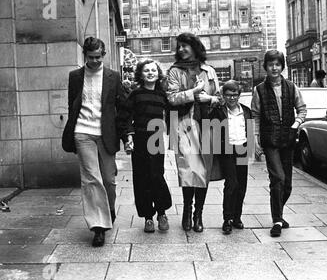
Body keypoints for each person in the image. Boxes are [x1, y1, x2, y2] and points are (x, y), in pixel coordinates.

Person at [62, 37, 128, 247]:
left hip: (106, 133)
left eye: (98, 57)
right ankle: (98, 227)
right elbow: (72, 104)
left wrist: (127, 135)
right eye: (91, 58)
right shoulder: (75, 76)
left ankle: (108, 209)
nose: (95, 61)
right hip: (82, 132)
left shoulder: (113, 77)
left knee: (108, 180)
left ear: (104, 54)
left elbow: (122, 108)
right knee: (91, 179)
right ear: (85, 56)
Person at [166, 32, 221, 233]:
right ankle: (187, 211)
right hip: (184, 124)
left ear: (195, 47)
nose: (181, 50)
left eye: (185, 46)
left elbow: (220, 98)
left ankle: (199, 213)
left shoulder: (209, 71)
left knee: (203, 170)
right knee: (189, 170)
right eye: (179, 46)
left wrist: (210, 99)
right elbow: (171, 98)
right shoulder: (174, 71)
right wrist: (194, 93)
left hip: (207, 124)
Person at [251, 50, 307, 238]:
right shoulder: (258, 90)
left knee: (288, 185)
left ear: (282, 66)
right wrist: (256, 140)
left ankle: (279, 213)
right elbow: (255, 115)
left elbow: (301, 109)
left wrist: (296, 124)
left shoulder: (291, 87)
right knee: (278, 179)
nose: (274, 68)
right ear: (265, 67)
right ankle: (277, 220)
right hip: (270, 140)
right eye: (270, 64)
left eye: (277, 64)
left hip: (288, 139)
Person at [118, 59, 172, 233]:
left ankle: (162, 213)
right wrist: (128, 137)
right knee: (142, 178)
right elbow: (125, 117)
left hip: (156, 140)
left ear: (158, 74)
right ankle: (148, 217)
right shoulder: (135, 94)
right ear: (141, 74)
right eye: (146, 70)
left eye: (153, 70)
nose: (150, 73)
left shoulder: (163, 95)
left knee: (157, 176)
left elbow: (173, 115)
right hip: (140, 140)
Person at [210, 80, 252, 235]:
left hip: (242, 149)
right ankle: (227, 219)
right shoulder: (219, 111)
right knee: (231, 184)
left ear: (239, 95)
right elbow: (212, 130)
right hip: (227, 150)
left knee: (242, 185)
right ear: (223, 96)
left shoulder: (246, 111)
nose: (232, 98)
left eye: (235, 95)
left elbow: (250, 130)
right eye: (228, 95)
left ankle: (237, 217)